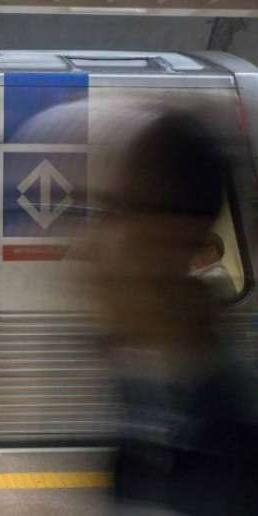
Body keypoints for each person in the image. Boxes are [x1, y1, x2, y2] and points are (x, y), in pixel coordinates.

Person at [83, 109, 257, 515]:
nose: (89, 244)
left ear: (173, 233)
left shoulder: (226, 439)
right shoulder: (147, 397)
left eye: (115, 211)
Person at [189, 232, 237, 302]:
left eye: (193, 252)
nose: (189, 258)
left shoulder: (217, 276)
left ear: (211, 250)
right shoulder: (203, 272)